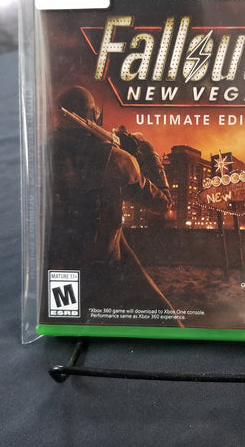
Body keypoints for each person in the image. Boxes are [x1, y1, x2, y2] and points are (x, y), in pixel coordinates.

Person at [46, 86, 178, 323]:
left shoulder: (43, 154)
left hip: (59, 266)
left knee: (64, 323)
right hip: (105, 267)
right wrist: (148, 155)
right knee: (164, 321)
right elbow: (162, 203)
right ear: (93, 116)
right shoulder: (116, 159)